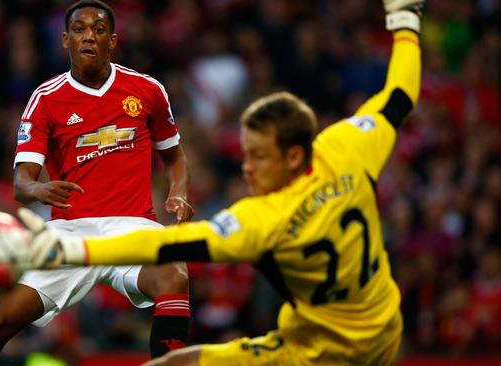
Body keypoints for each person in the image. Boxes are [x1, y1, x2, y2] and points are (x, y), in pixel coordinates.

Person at [22, 0, 425, 364]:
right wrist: (406, 22)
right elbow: (400, 94)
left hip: (317, 350)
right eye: (247, 155)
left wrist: (74, 251)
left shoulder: (261, 219)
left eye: (259, 157)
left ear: (293, 155)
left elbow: (161, 243)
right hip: (386, 327)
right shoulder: (348, 146)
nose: (247, 168)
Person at [0, 1, 194, 365]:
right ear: (65, 40)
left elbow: (175, 157)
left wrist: (177, 192)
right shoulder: (46, 99)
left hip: (132, 226)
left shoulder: (147, 90)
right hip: (69, 233)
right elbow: (21, 183)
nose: (88, 37)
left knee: (174, 276)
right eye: (79, 29)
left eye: (98, 30)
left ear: (112, 41)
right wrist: (37, 189)